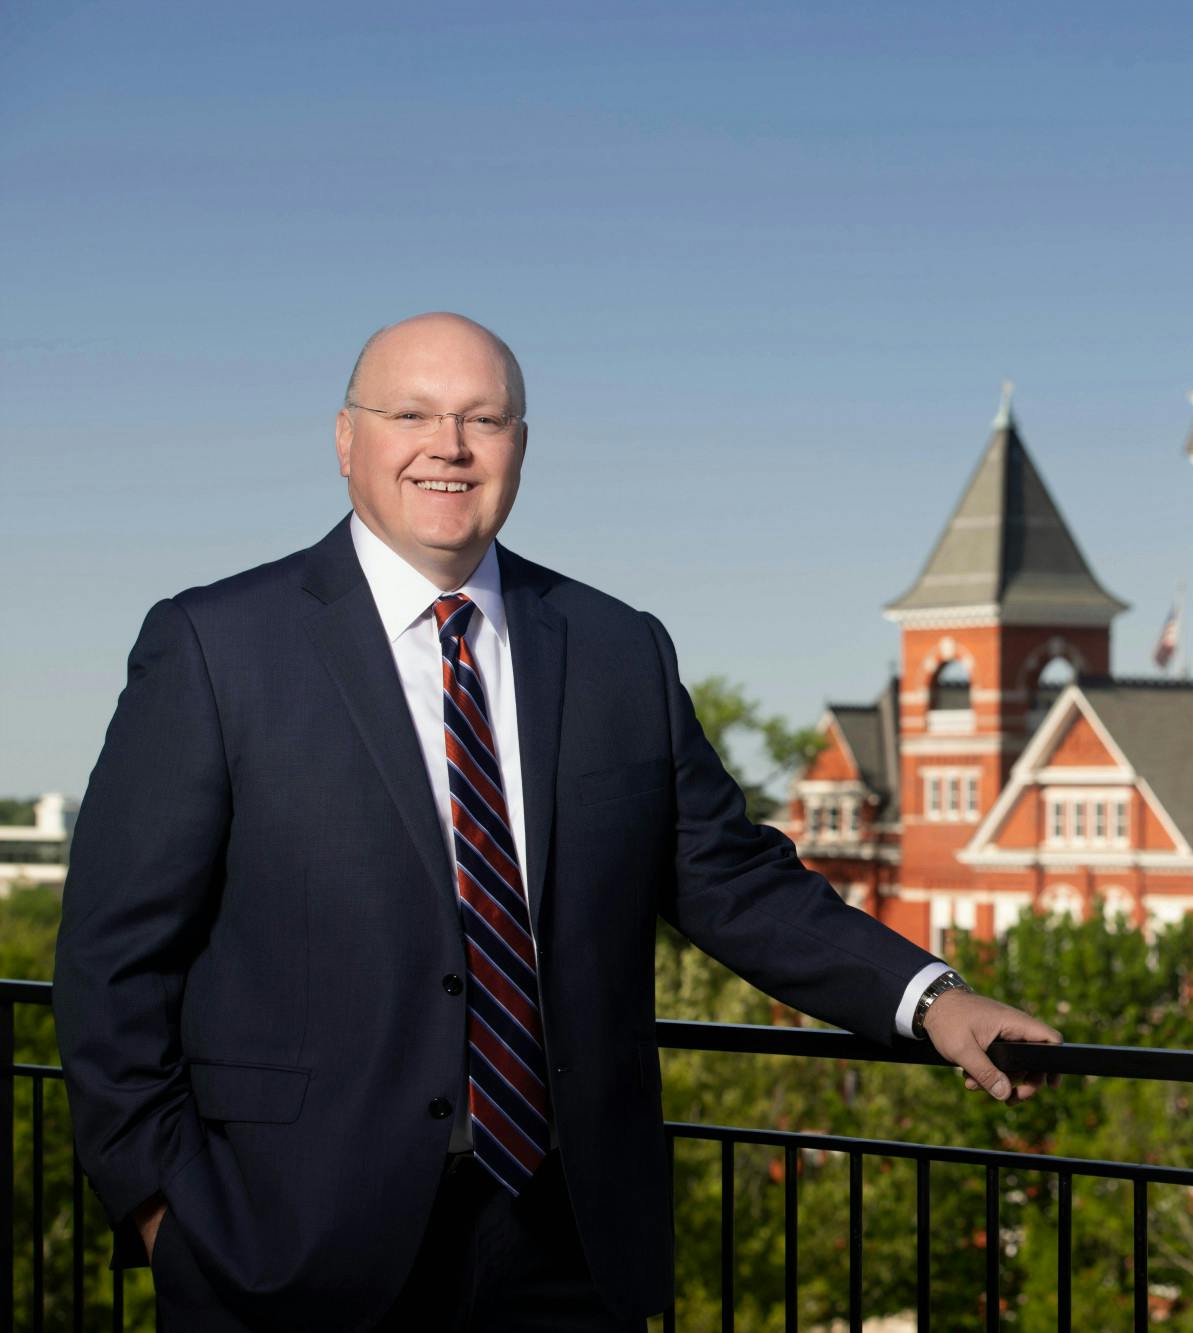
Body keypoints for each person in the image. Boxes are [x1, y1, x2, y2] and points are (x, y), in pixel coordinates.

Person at [54, 312, 1062, 1331]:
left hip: (562, 1235)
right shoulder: (216, 647)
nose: (448, 444)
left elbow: (728, 877)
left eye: (484, 417)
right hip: (286, 1241)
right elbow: (113, 957)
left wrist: (928, 997)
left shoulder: (618, 647)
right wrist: (161, 1210)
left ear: (518, 447)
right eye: (412, 413)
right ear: (346, 440)